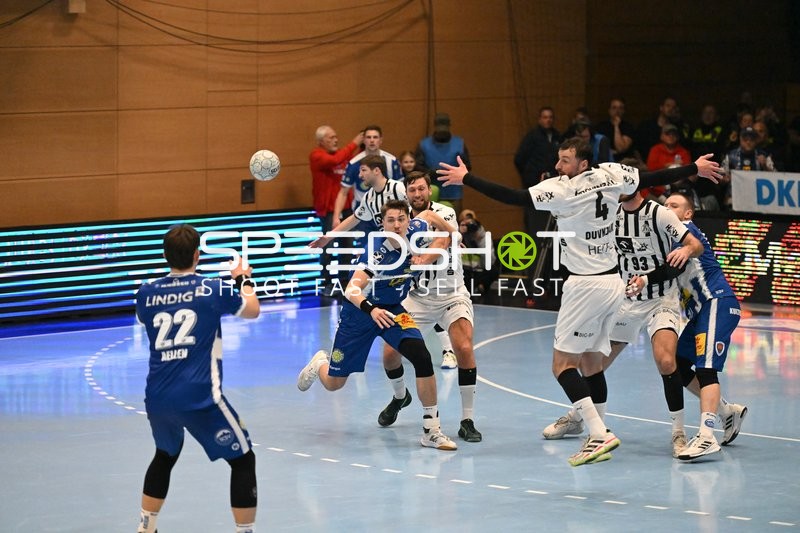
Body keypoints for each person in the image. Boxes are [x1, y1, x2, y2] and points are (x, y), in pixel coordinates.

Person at [437, 137, 723, 466]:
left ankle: (599, 433)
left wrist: (467, 178)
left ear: (583, 164)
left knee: (562, 366)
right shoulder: (612, 175)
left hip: (584, 286)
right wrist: (694, 168)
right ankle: (595, 435)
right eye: (558, 159)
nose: (558, 166)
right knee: (591, 363)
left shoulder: (562, 189)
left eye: (565, 161)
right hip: (613, 284)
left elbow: (513, 197)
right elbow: (653, 177)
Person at [541, 190, 705, 458]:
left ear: (635, 185)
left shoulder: (660, 213)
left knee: (666, 361)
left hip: (661, 299)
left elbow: (695, 245)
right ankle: (581, 419)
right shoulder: (609, 213)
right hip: (625, 300)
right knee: (592, 363)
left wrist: (687, 249)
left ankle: (678, 432)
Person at [297, 200, 459, 451]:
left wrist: (452, 233)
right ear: (382, 224)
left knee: (422, 356)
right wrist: (371, 310)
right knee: (334, 383)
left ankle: (431, 430)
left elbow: (428, 214)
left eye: (401, 219)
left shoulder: (416, 229)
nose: (397, 225)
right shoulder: (377, 252)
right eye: (391, 220)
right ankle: (320, 363)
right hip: (360, 314)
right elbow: (351, 289)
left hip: (393, 310)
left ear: (408, 220)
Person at [134, 224, 261, 533]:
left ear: (165, 255)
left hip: (158, 399)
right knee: (243, 459)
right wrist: (243, 278)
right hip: (200, 397)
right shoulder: (212, 289)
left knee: (165, 454)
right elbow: (252, 309)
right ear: (197, 255)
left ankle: (146, 527)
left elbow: (143, 318)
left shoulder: (146, 293)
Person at [628, 192, 748, 460]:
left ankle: (706, 436)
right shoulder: (669, 236)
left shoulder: (685, 232)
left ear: (687, 214)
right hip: (699, 313)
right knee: (679, 367)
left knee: (706, 370)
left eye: (674, 205)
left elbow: (674, 267)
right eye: (665, 205)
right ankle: (727, 411)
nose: (667, 208)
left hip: (716, 302)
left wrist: (644, 279)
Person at [376, 172, 483, 442]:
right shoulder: (401, 220)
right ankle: (400, 397)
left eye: (421, 189)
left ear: (429, 190)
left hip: (451, 294)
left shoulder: (444, 212)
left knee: (464, 348)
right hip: (417, 298)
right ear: (406, 193)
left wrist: (423, 258)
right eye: (412, 190)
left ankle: (467, 420)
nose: (417, 194)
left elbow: (444, 240)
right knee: (389, 353)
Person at [309, 126, 365, 290]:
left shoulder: (343, 156)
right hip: (328, 210)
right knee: (327, 245)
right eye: (331, 137)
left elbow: (355, 161)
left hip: (347, 207)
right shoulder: (316, 155)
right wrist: (355, 142)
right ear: (321, 141)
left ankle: (344, 281)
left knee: (347, 246)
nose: (335, 140)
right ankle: (326, 283)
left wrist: (362, 145)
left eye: (336, 137)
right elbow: (334, 161)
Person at [332, 125, 403, 224]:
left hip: (388, 212)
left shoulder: (392, 161)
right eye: (368, 137)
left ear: (381, 140)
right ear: (364, 140)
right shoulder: (354, 163)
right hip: (363, 212)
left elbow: (401, 189)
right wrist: (336, 217)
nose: (372, 140)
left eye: (375, 137)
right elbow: (343, 192)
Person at [415, 113, 471, 214]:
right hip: (430, 192)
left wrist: (452, 172)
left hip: (453, 193)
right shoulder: (423, 145)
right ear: (435, 127)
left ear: (449, 126)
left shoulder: (459, 144)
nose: (442, 132)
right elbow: (418, 168)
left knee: (453, 221)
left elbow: (467, 168)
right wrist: (431, 172)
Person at [721, 126, 776, 210]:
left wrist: (765, 166)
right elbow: (720, 177)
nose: (748, 142)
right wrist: (726, 178)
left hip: (758, 200)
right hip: (734, 200)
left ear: (756, 140)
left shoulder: (764, 156)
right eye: (745, 139)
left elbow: (776, 179)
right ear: (740, 139)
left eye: (752, 139)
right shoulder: (730, 156)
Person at [643, 123, 693, 204]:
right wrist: (668, 165)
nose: (671, 136)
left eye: (673, 134)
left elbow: (688, 171)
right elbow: (650, 167)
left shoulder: (683, 152)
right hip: (657, 187)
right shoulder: (655, 150)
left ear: (677, 137)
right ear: (661, 136)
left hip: (677, 187)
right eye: (667, 134)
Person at [459, 209, 497, 296]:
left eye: (471, 222)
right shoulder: (458, 233)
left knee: (493, 271)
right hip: (464, 269)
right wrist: (459, 234)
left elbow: (489, 261)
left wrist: (478, 239)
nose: (469, 226)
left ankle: (480, 286)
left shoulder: (482, 235)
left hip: (480, 268)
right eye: (464, 222)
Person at [636, 96, 685, 161]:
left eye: (673, 107)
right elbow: (637, 147)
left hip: (670, 163)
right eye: (668, 106)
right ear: (661, 108)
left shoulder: (677, 128)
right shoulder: (646, 126)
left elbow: (681, 148)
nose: (671, 109)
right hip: (648, 162)